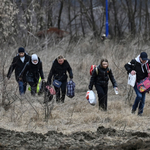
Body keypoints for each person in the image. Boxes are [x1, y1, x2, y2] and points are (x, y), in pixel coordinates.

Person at [124, 52, 150, 116]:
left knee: (143, 99)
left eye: (145, 60)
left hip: (144, 83)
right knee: (139, 96)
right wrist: (131, 71)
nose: (144, 61)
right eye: (143, 60)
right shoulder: (134, 61)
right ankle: (133, 109)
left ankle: (140, 113)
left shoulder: (148, 62)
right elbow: (126, 65)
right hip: (136, 82)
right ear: (140, 58)